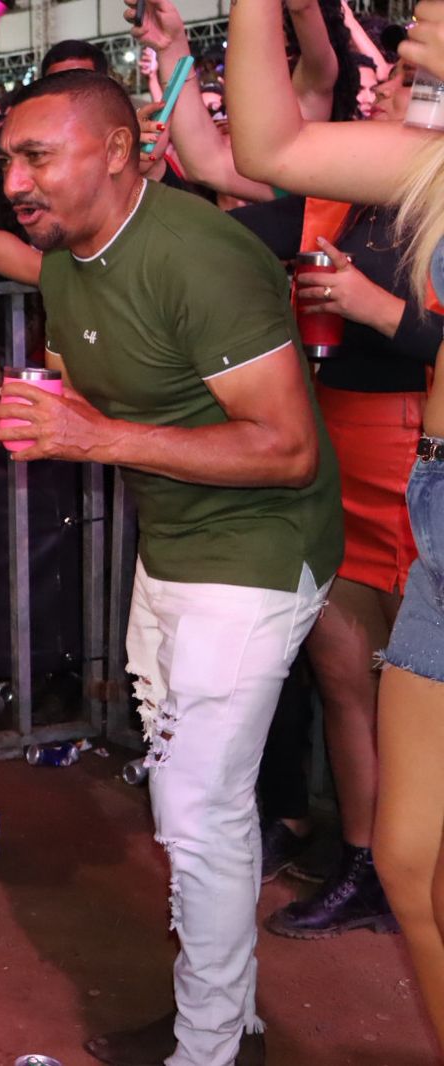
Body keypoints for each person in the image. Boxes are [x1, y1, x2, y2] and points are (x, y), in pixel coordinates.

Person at [0, 71, 342, 1066]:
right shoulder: (66, 262)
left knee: (197, 812)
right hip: (173, 542)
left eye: (35, 156)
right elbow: (72, 428)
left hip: (258, 550)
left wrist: (96, 437)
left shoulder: (199, 256)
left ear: (118, 148)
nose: (12, 179)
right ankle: (225, 1023)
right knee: (190, 799)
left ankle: (210, 1049)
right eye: (7, 158)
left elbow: (286, 448)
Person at [222, 0, 444, 1048]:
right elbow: (268, 143)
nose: (405, 29)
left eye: (429, 17)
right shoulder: (426, 160)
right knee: (407, 860)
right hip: (431, 496)